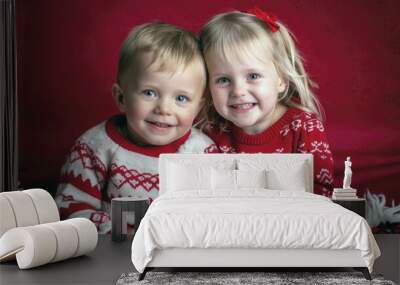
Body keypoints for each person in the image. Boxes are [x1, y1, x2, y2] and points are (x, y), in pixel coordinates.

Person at [56, 22, 217, 233]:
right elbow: (72, 209)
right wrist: (124, 235)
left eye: (181, 98)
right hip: (111, 253)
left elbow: (216, 213)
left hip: (179, 254)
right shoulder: (94, 147)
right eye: (149, 93)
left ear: (198, 107)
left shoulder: (203, 153)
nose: (164, 108)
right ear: (121, 98)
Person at [199, 8, 334, 196]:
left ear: (281, 80)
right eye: (223, 80)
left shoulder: (304, 128)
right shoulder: (210, 132)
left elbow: (321, 191)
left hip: (295, 218)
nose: (238, 91)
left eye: (253, 76)